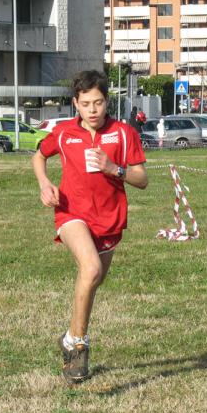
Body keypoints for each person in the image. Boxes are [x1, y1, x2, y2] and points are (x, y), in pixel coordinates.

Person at [31, 70, 148, 385]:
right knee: (91, 267)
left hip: (109, 220)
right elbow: (38, 156)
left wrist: (114, 168)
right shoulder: (65, 133)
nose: (92, 110)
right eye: (85, 104)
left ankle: (69, 337)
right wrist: (45, 185)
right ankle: (79, 345)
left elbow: (142, 180)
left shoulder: (124, 134)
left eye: (98, 103)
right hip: (70, 213)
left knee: (93, 279)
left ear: (107, 102)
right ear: (75, 104)